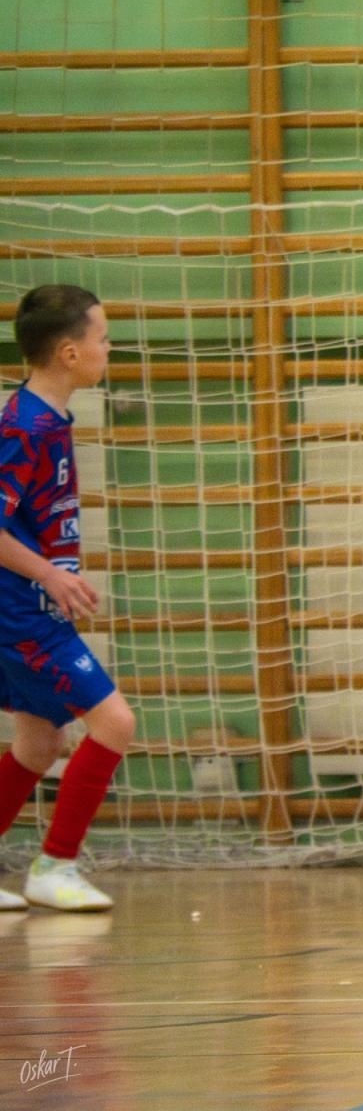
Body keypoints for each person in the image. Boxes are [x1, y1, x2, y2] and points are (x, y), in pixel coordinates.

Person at [0, 284, 134, 912]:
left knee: (38, 745)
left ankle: (52, 868)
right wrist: (52, 575)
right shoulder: (24, 426)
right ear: (69, 352)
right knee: (114, 722)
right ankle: (55, 866)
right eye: (102, 337)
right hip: (19, 609)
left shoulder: (48, 418)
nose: (110, 347)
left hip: (31, 605)